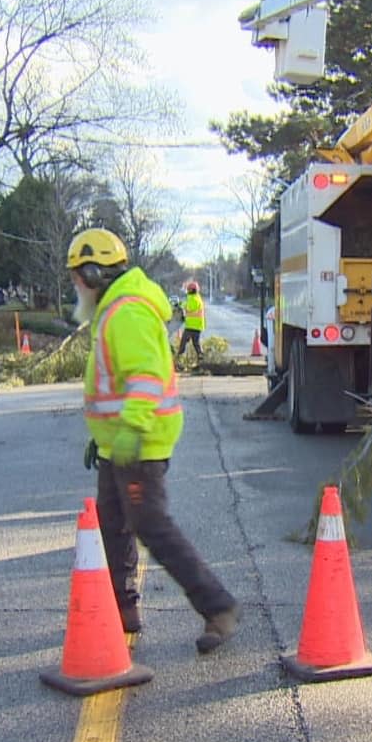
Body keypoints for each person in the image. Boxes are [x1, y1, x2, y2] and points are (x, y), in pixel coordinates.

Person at [68, 228, 240, 653]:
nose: (74, 284)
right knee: (113, 526)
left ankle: (218, 607)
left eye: (77, 275)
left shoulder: (126, 312)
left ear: (93, 273)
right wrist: (103, 436)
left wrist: (129, 428)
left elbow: (146, 377)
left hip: (139, 441)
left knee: (151, 526)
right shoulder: (113, 308)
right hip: (117, 444)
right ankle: (120, 611)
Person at [177, 280, 205, 363]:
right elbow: (185, 305)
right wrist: (180, 305)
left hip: (192, 326)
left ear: (191, 290)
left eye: (188, 289)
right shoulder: (195, 298)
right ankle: (201, 359)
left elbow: (189, 309)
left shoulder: (194, 299)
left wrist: (186, 313)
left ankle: (178, 359)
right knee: (196, 344)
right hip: (196, 326)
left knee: (183, 342)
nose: (187, 291)